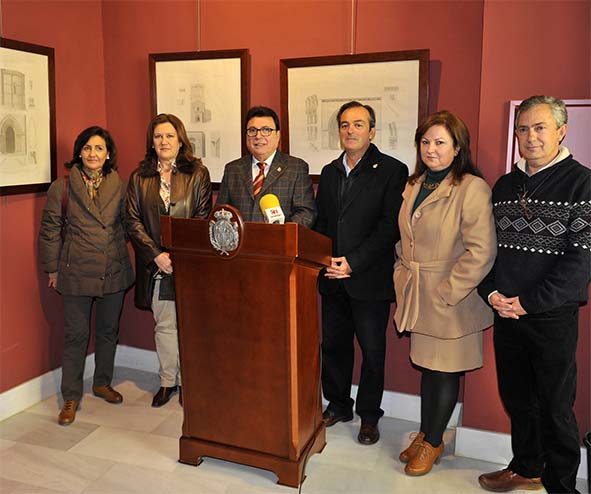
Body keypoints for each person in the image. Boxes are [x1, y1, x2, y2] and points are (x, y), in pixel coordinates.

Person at [477, 95, 590, 494]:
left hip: (552, 316)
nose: (530, 137)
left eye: (540, 128)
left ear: (561, 131)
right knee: (518, 399)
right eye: (523, 129)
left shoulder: (582, 183)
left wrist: (528, 303)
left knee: (556, 407)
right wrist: (490, 293)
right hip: (506, 313)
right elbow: (486, 250)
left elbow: (581, 262)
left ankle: (562, 487)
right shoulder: (504, 186)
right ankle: (527, 467)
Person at [393, 110, 496, 475]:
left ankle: (434, 442)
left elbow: (482, 251)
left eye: (440, 142)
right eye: (425, 142)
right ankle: (427, 433)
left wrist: (447, 291)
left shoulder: (471, 187)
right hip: (418, 292)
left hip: (451, 298)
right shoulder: (415, 184)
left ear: (457, 147)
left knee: (444, 371)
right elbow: (405, 238)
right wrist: (400, 270)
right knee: (428, 368)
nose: (431, 149)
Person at [315, 101, 408, 445]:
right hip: (332, 279)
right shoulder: (329, 172)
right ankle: (339, 405)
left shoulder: (392, 170)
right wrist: (325, 260)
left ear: (372, 131)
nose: (350, 130)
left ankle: (369, 416)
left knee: (372, 352)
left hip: (368, 280)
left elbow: (389, 227)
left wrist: (352, 262)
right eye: (344, 125)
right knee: (334, 347)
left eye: (358, 124)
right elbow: (323, 222)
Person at [39, 126, 134, 426]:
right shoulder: (62, 187)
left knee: (108, 331)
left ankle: (102, 382)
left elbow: (128, 225)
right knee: (75, 336)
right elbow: (50, 231)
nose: (93, 153)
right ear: (79, 152)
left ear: (108, 155)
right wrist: (53, 269)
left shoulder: (120, 185)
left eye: (99, 148)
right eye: (88, 148)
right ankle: (70, 396)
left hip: (112, 269)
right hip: (76, 271)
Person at [126, 114, 212, 408]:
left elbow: (202, 217)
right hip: (156, 267)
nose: (164, 141)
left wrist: (178, 255)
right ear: (152, 142)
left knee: (189, 326)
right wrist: (157, 255)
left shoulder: (197, 173)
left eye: (169, 136)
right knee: (164, 326)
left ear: (180, 140)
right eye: (158, 136)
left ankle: (189, 382)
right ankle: (167, 382)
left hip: (188, 265)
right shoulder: (139, 177)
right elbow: (132, 221)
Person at [216, 106, 316, 227]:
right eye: (252, 130)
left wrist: (282, 233)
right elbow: (220, 213)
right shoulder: (233, 169)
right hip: (241, 238)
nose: (258, 136)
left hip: (280, 238)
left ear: (278, 135)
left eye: (266, 130)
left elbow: (306, 213)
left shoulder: (296, 168)